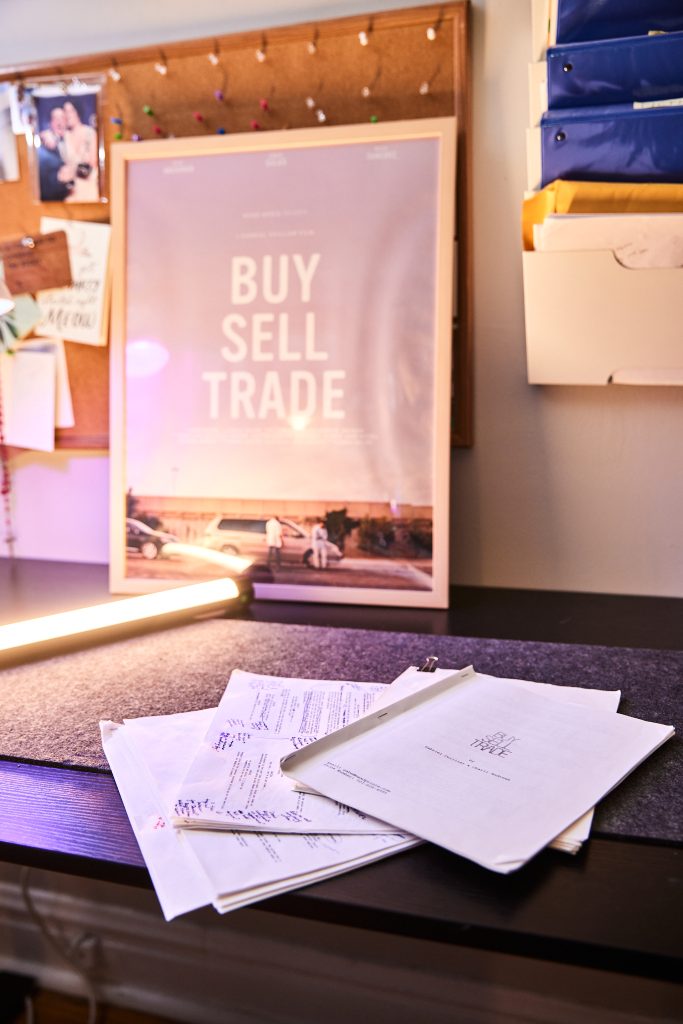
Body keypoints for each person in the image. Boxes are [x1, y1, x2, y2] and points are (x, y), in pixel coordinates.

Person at [61, 99, 99, 202]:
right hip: (73, 189)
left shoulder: (90, 133)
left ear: (77, 112)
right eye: (65, 112)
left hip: (90, 185)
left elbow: (93, 162)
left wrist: (71, 170)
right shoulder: (64, 137)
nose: (68, 115)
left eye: (70, 111)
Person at [37, 106, 73, 202]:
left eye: (62, 118)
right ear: (50, 122)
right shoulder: (45, 143)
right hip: (53, 197)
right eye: (56, 118)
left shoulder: (71, 138)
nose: (59, 122)